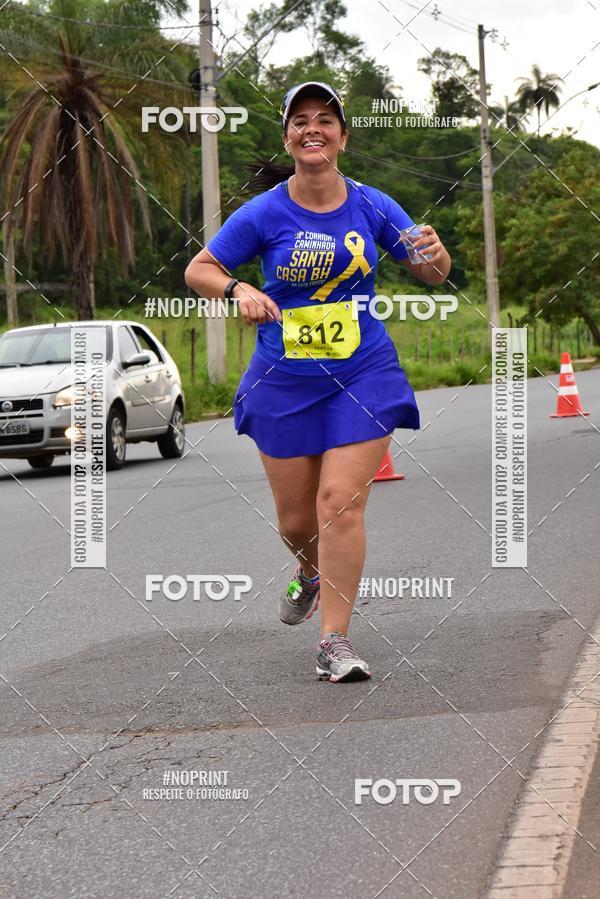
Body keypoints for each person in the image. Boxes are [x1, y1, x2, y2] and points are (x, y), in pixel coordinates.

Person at [184, 81, 451, 683]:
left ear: (342, 137)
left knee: (340, 504)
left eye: (325, 120)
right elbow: (198, 269)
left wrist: (437, 255)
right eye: (300, 120)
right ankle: (308, 571)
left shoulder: (375, 205)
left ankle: (335, 641)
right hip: (283, 380)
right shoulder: (262, 213)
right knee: (298, 523)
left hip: (363, 371)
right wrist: (239, 288)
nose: (313, 129)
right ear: (288, 138)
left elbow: (430, 271)